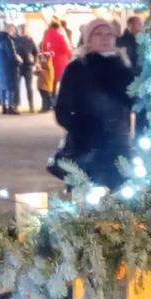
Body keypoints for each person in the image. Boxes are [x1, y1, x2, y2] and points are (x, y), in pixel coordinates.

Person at [51, 18, 135, 188]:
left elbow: (133, 102)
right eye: (98, 34)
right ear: (88, 39)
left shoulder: (123, 69)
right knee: (87, 202)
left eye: (108, 34)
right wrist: (80, 127)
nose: (105, 38)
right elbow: (62, 109)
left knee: (120, 201)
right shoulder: (76, 68)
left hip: (118, 146)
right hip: (87, 147)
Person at [40, 20, 73, 103]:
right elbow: (65, 49)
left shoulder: (46, 35)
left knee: (50, 82)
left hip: (49, 61)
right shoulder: (60, 36)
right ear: (58, 27)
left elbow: (42, 47)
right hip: (60, 61)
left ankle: (50, 101)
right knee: (63, 82)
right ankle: (57, 101)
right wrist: (71, 54)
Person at [0, 22, 20, 115]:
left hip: (0, 66)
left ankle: (4, 106)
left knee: (2, 87)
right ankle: (10, 107)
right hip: (9, 66)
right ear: (10, 30)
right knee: (11, 87)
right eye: (13, 30)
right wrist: (18, 62)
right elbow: (11, 55)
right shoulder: (8, 40)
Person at [13, 25, 40, 111]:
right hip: (19, 66)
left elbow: (36, 52)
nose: (23, 31)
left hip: (28, 66)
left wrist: (36, 63)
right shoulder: (15, 39)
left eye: (24, 29)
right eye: (22, 29)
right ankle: (16, 105)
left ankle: (31, 106)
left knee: (28, 87)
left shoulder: (30, 40)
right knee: (17, 86)